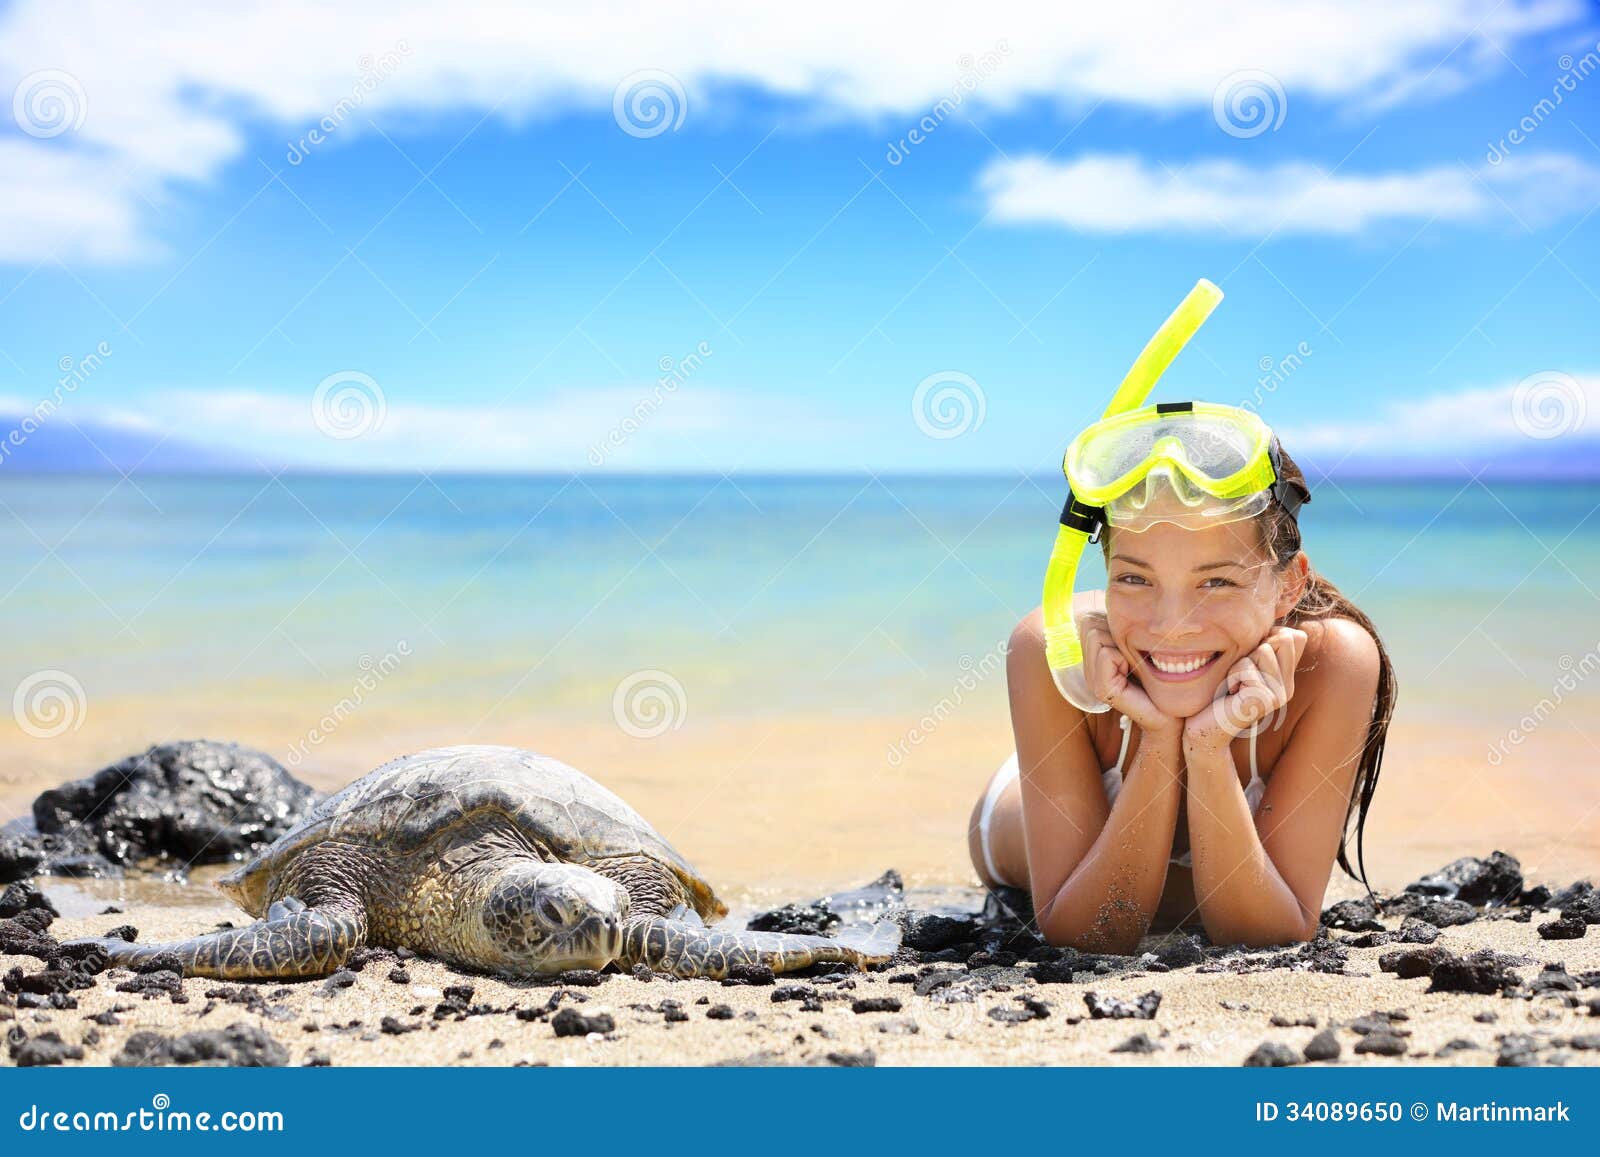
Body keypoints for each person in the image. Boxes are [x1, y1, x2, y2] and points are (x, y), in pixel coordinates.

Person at [967, 404, 1395, 953]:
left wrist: (1207, 745)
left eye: (1216, 581)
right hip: (1022, 819)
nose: (1171, 627)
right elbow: (1089, 934)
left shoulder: (1335, 662)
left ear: (1289, 585)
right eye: (1133, 578)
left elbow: (1267, 935)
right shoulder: (1057, 650)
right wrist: (1158, 736)